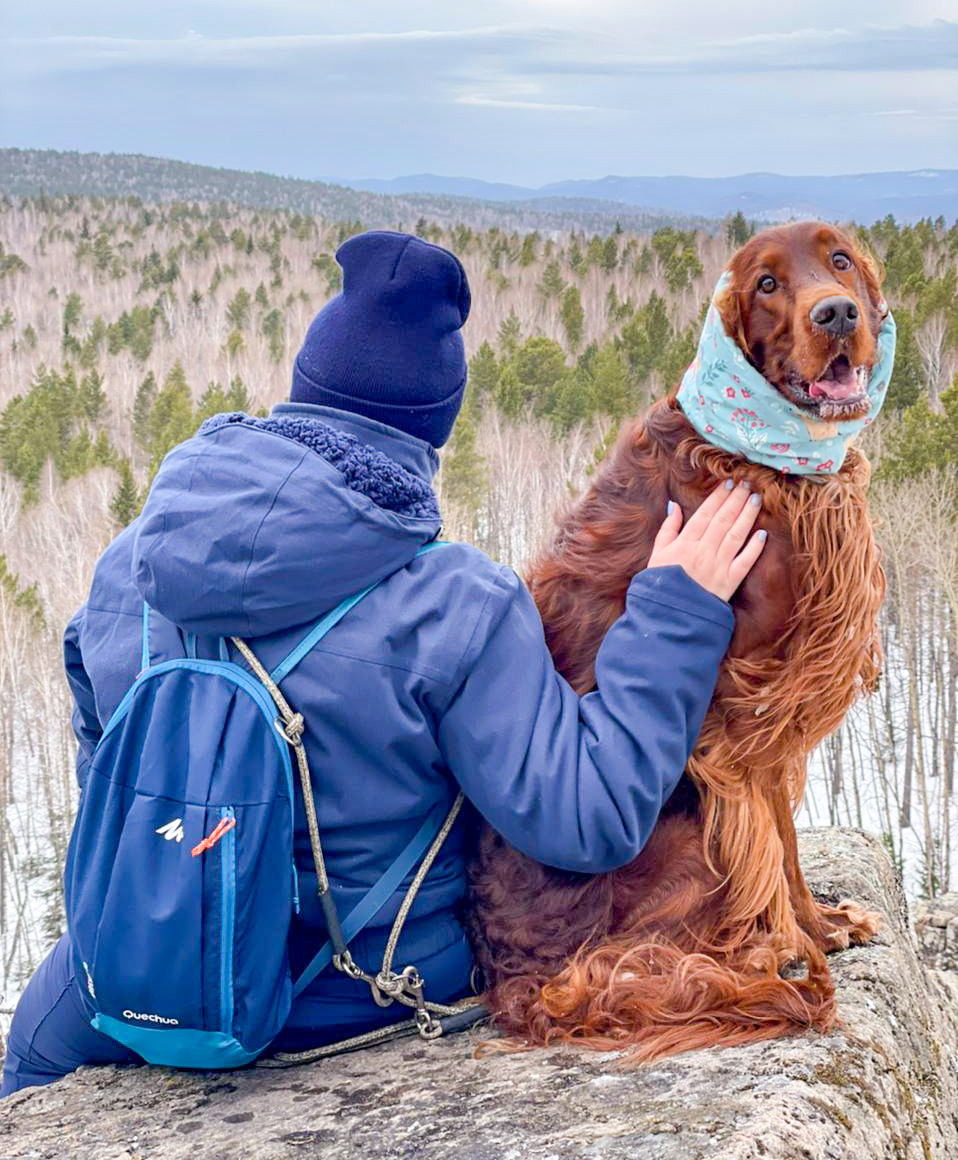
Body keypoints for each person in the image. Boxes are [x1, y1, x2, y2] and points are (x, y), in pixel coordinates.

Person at [1, 231, 765, 1096]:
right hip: (355, 991)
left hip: (135, 959)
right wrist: (673, 613)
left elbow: (108, 766)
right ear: (432, 430)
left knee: (26, 1069)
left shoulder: (129, 564)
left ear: (302, 394)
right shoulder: (455, 603)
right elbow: (588, 819)